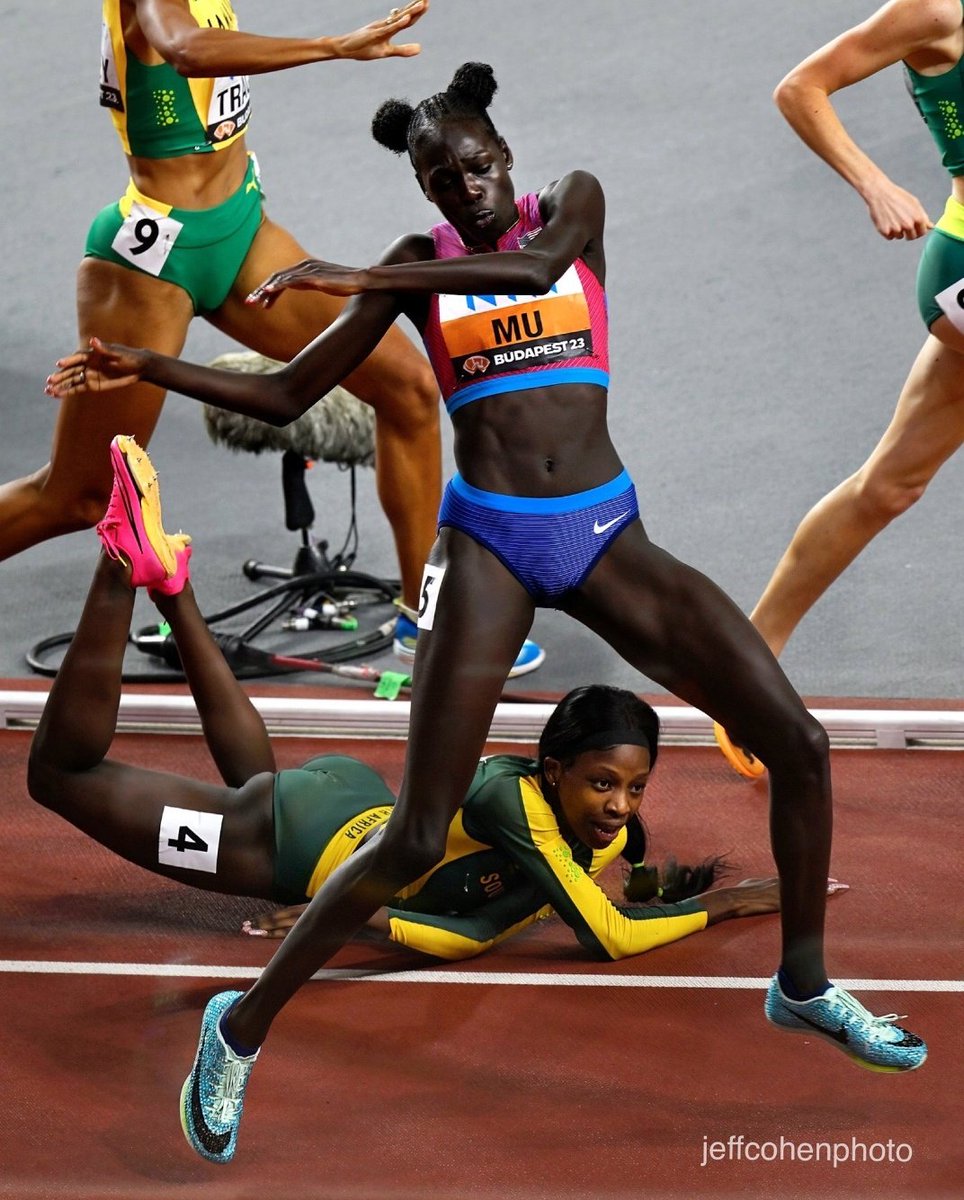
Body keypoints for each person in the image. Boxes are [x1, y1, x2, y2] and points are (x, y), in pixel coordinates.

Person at [47, 62, 928, 1163]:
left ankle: (802, 985)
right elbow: (286, 394)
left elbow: (539, 264)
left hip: (606, 534)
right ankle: (239, 1025)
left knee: (798, 742)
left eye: (475, 162)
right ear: (422, 188)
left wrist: (352, 268)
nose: (463, 183)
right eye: (439, 176)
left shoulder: (569, 207)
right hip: (490, 548)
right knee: (415, 831)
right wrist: (146, 360)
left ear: (504, 155)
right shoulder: (418, 268)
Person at [27, 438, 802, 974]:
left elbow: (483, 928)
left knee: (249, 786)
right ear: (554, 768)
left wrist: (360, 914)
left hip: (335, 805)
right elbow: (595, 936)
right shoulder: (518, 803)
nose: (619, 807)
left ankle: (172, 587)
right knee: (59, 775)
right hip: (292, 847)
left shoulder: (598, 837)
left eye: (633, 788)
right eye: (603, 784)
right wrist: (734, 904)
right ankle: (119, 563)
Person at [8, 2, 549, 672]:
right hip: (151, 264)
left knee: (405, 387)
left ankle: (426, 618)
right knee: (79, 495)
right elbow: (184, 50)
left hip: (241, 232)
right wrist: (332, 46)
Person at [715, 0, 964, 776]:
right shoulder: (935, 9)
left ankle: (742, 667)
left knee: (890, 485)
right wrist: (876, 184)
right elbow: (801, 87)